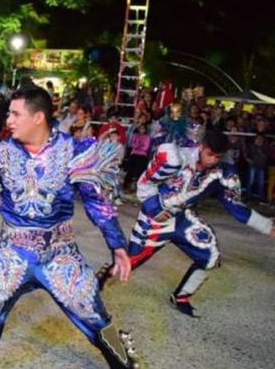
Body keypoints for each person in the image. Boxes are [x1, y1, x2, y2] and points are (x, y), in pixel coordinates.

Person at [0, 85, 138, 369]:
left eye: (16, 114)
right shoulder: (0, 152)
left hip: (60, 254)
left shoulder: (73, 151)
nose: (9, 120)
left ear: (38, 117)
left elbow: (97, 203)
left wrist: (118, 246)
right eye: (9, 114)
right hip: (12, 252)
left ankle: (123, 363)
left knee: (94, 316)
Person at [98, 130, 275, 317]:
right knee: (129, 262)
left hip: (183, 218)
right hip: (155, 219)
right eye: (210, 154)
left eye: (218, 157)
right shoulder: (176, 157)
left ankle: (181, 297)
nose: (213, 160)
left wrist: (267, 226)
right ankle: (94, 286)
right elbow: (145, 183)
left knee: (210, 255)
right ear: (202, 147)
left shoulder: (222, 174)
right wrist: (154, 209)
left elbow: (236, 207)